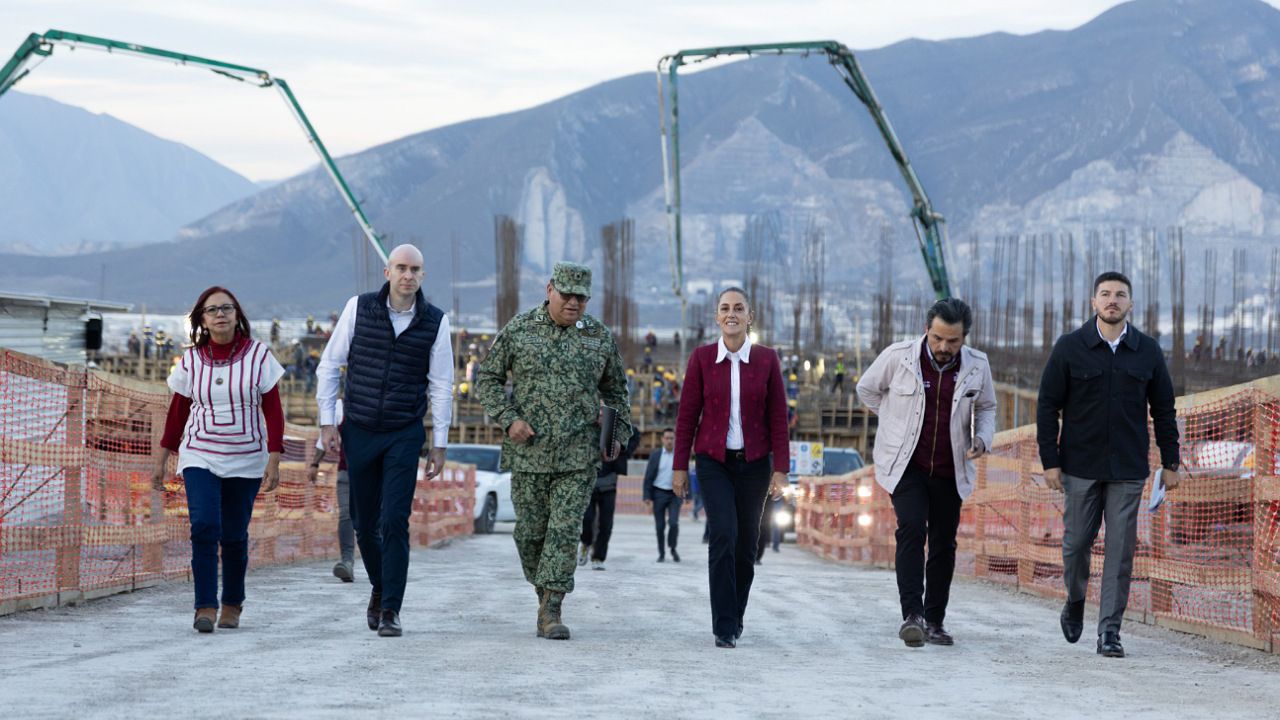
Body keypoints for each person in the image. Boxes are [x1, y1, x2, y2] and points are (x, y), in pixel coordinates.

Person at [475, 261, 633, 641]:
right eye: (567, 295)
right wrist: (509, 418)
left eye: (581, 297)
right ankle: (543, 590)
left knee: (564, 531)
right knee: (529, 534)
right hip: (529, 452)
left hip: (578, 456)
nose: (574, 303)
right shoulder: (519, 330)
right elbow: (488, 379)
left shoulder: (598, 337)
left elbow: (617, 392)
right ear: (549, 290)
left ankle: (552, 609)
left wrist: (616, 431)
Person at [1037, 271, 1184, 659]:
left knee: (1120, 552)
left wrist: (1172, 462)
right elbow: (1047, 405)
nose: (1112, 300)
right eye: (1105, 294)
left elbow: (1165, 410)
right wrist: (1050, 461)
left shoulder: (1148, 352)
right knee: (1075, 545)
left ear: (1130, 305)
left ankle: (1110, 632)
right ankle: (1075, 597)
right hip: (1079, 466)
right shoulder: (1070, 348)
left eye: (1120, 295)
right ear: (1093, 303)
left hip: (1129, 469)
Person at [315, 244, 454, 638]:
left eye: (416, 269)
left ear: (423, 276)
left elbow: (441, 386)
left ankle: (391, 608)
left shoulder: (435, 322)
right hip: (358, 428)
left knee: (395, 519)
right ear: (387, 271)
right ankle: (380, 585)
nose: (408, 275)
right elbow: (329, 365)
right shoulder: (358, 309)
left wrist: (439, 443)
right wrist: (328, 423)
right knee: (363, 522)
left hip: (403, 432)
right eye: (401, 268)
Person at [856, 297, 996, 648]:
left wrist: (981, 437)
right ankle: (912, 616)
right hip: (906, 466)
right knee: (912, 528)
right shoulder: (898, 357)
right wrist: (893, 423)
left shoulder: (978, 366)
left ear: (965, 338)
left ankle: (935, 620)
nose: (944, 347)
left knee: (944, 543)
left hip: (951, 469)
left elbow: (988, 406)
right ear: (926, 330)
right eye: (937, 338)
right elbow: (867, 389)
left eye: (953, 341)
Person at [151, 286, 285, 633]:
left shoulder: (259, 356)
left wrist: (274, 457)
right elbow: (177, 413)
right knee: (205, 526)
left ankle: (232, 603)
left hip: (246, 456)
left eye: (226, 308)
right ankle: (205, 606)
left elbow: (273, 410)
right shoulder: (191, 361)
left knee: (235, 534)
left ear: (237, 314)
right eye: (212, 310)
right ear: (202, 319)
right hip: (200, 454)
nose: (220, 314)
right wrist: (162, 456)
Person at [672, 287, 790, 649]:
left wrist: (780, 469)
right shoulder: (702, 359)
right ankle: (723, 625)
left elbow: (778, 418)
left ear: (749, 316)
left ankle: (736, 614)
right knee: (723, 533)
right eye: (725, 308)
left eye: (739, 308)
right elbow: (687, 416)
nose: (732, 313)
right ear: (717, 317)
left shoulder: (767, 360)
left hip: (755, 465)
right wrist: (679, 467)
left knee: (746, 546)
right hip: (714, 463)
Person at [308, 398, 354, 583]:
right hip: (346, 472)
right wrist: (314, 463)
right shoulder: (340, 407)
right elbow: (324, 438)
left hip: (373, 474)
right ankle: (347, 561)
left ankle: (381, 564)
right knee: (345, 515)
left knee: (373, 518)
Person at [580, 431, 639, 571]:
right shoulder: (587, 420)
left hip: (609, 483)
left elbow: (634, 433)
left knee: (605, 524)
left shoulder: (614, 423)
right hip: (588, 481)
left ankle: (598, 557)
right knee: (586, 519)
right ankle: (585, 543)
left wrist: (624, 450)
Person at [643, 428, 681, 563]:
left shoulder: (679, 455)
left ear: (675, 439)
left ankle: (672, 548)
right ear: (662, 439)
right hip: (658, 493)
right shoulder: (655, 455)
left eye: (672, 438)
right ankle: (661, 553)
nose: (670, 440)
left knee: (674, 523)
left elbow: (685, 474)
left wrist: (688, 496)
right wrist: (647, 497)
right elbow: (648, 477)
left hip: (675, 494)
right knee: (660, 526)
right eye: (667, 438)